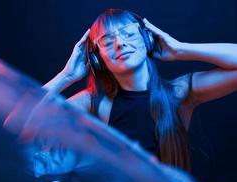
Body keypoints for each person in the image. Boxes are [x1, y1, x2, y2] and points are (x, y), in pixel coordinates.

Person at [42, 8, 237, 172]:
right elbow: (17, 122)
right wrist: (67, 76)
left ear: (147, 40)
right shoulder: (93, 103)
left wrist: (181, 49)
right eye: (108, 41)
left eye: (128, 33)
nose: (119, 44)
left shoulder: (179, 93)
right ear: (97, 59)